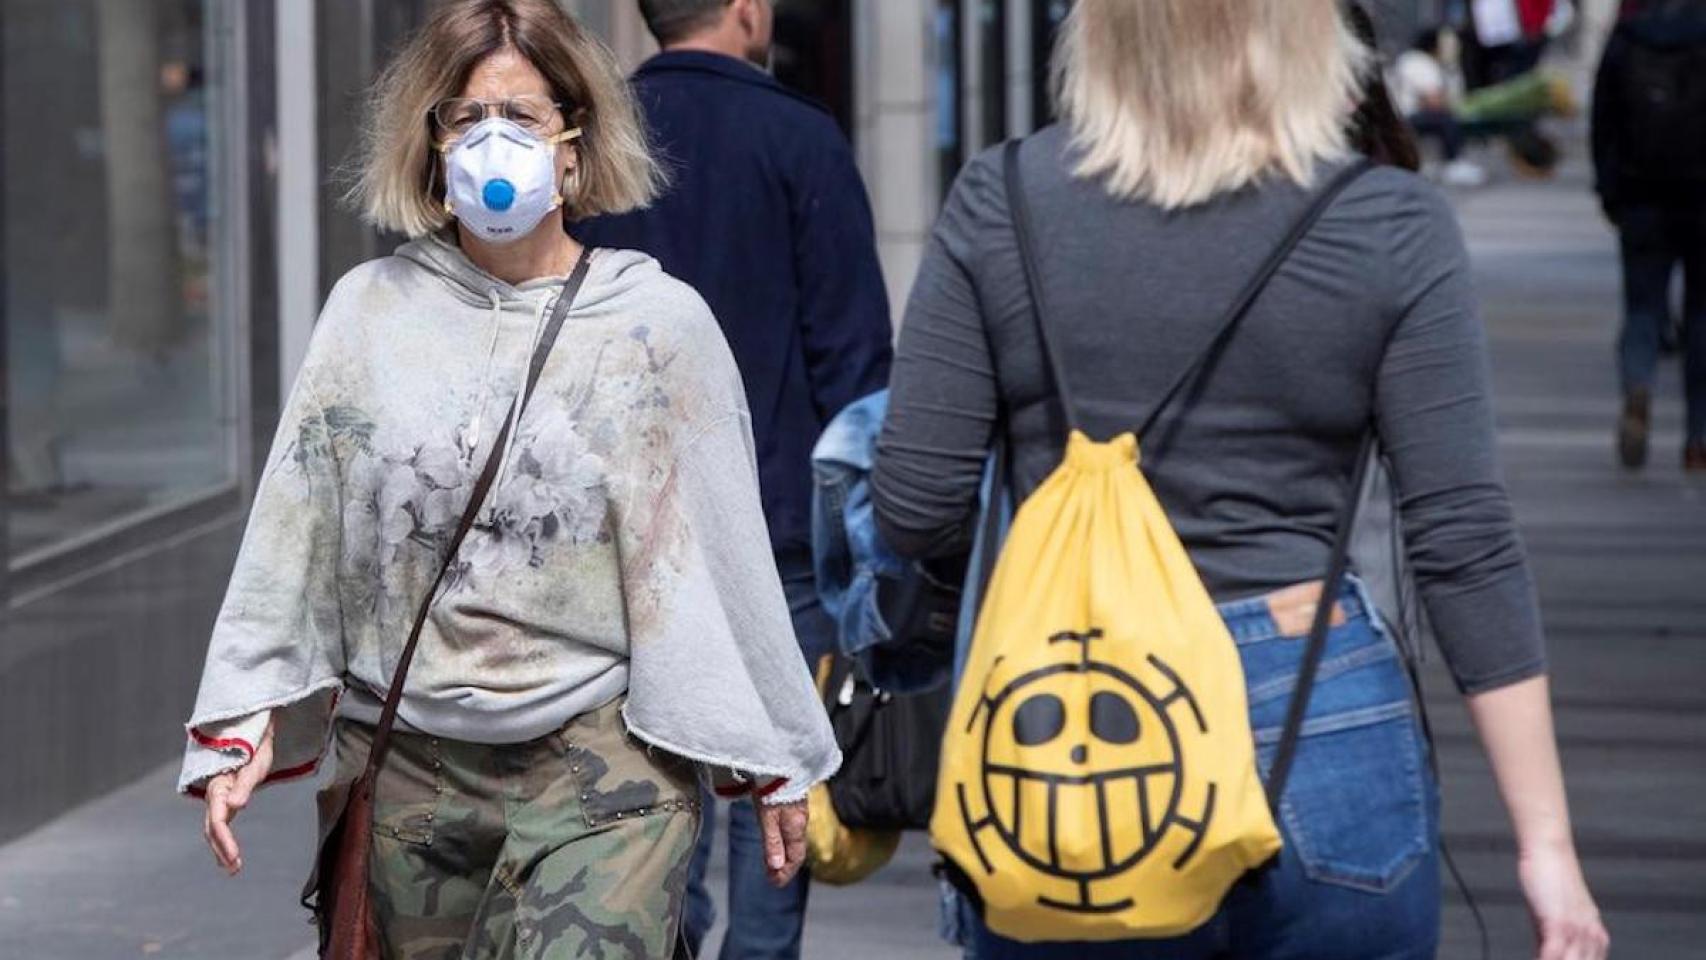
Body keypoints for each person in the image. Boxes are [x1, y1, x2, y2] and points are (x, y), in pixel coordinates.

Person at [871, 1, 1609, 957]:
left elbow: (916, 506)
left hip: (1076, 714)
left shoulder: (1000, 199)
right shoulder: (1388, 221)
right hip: (1319, 696)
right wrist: (1546, 847)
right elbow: (1463, 545)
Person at [178, 2, 839, 955]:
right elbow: (296, 523)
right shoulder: (367, 315)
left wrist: (776, 755)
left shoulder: (658, 326)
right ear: (432, 148)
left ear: (574, 146)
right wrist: (240, 720)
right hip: (405, 768)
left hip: (602, 777)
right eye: (465, 118)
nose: (494, 142)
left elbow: (721, 554)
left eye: (523, 118)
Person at [577, 2, 892, 957]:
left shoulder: (598, 139)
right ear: (749, 11)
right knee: (776, 792)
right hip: (776, 526)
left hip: (624, 529)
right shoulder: (800, 138)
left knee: (653, 785)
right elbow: (855, 365)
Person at [1592, 0, 1706, 471]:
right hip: (1702, 199)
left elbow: (1603, 122)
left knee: (1642, 308)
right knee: (1701, 315)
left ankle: (1638, 384)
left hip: (1640, 197)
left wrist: (1609, 190)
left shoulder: (1628, 37)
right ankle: (1699, 437)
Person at [1391, 28, 1488, 187]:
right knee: (1447, 118)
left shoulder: (1408, 59)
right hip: (1410, 116)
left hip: (1402, 115)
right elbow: (1434, 100)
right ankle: (1453, 163)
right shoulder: (1421, 62)